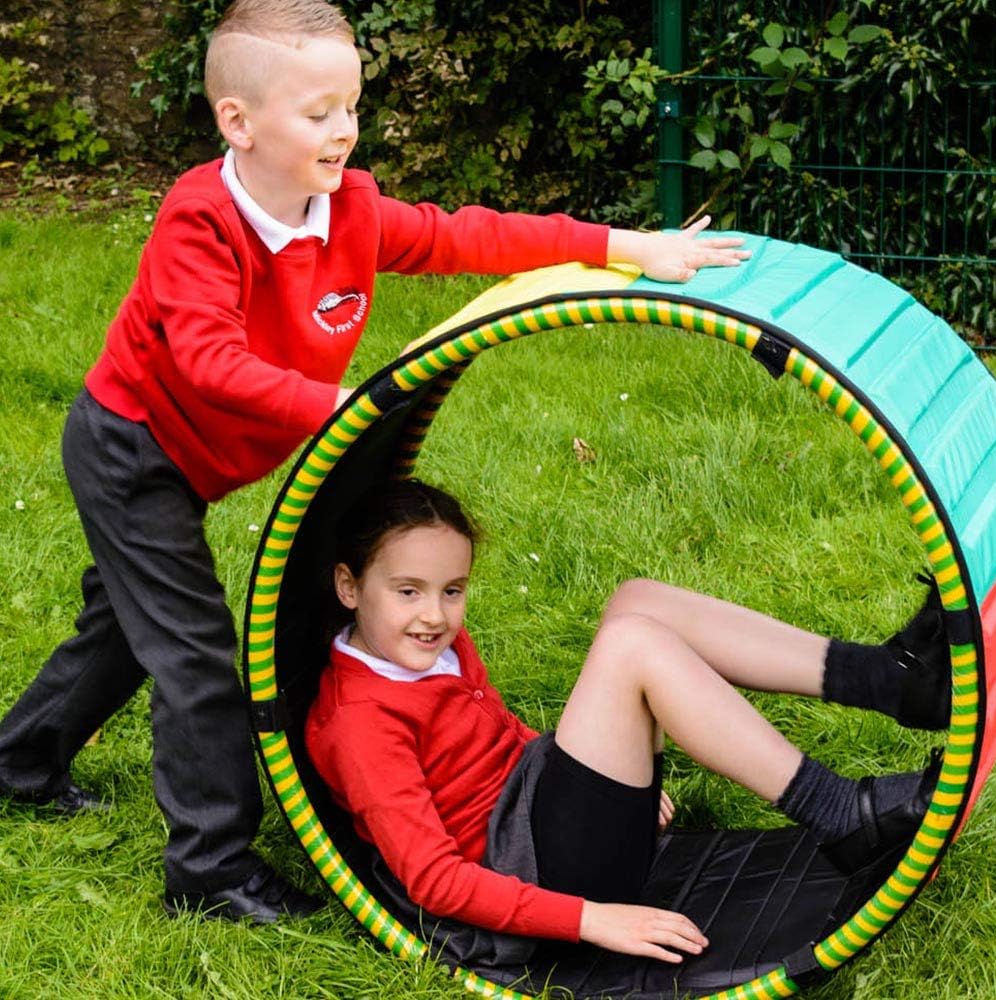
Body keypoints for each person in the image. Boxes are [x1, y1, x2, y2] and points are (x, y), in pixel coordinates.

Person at [0, 0, 752, 925]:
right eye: (318, 112)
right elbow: (207, 361)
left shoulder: (349, 209)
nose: (345, 129)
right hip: (135, 450)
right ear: (238, 122)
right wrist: (342, 407)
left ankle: (19, 763)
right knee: (192, 655)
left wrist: (622, 245)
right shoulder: (201, 222)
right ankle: (209, 866)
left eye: (352, 106)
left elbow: (466, 236)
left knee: (127, 624)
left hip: (200, 453)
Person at [305, 478, 949, 965]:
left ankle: (891, 678)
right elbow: (435, 882)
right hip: (533, 881)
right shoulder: (359, 724)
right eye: (408, 591)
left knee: (635, 600)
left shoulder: (425, 648)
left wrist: (608, 780)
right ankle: (839, 812)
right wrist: (593, 919)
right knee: (631, 645)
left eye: (453, 590)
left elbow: (494, 737)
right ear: (348, 586)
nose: (435, 615)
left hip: (542, 816)